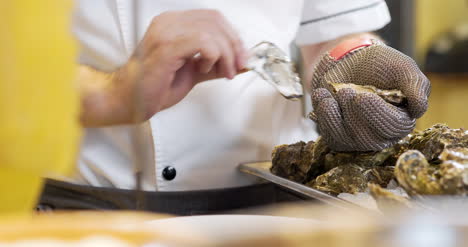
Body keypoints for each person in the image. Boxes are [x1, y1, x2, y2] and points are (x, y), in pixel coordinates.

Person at [38, 0, 430, 215]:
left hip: (275, 206)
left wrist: (357, 63)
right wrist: (114, 93)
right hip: (84, 208)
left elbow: (337, 32)